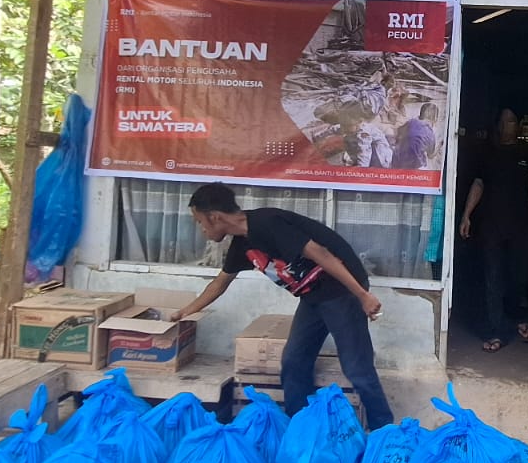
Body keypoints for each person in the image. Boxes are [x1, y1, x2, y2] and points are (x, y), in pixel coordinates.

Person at [174, 183, 394, 430]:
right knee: (294, 362)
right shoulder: (242, 244)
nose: (201, 229)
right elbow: (220, 283)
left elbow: (320, 253)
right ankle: (300, 428)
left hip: (342, 291)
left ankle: (384, 432)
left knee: (356, 368)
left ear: (215, 217)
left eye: (200, 222)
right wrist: (185, 311)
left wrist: (362, 295)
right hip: (314, 297)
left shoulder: (268, 223)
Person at [459, 109, 528, 352]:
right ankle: (496, 331)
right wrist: (466, 215)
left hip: (521, 226)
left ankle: (516, 319)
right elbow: (478, 184)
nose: (509, 124)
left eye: (513, 120)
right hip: (491, 227)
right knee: (493, 278)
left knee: (519, 275)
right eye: (505, 120)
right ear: (498, 125)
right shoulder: (487, 154)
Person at [394, 102, 440, 171]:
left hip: (397, 161)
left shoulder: (410, 122)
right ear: (435, 119)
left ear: (420, 115)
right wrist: (440, 145)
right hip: (415, 167)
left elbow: (398, 133)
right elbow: (430, 155)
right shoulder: (430, 134)